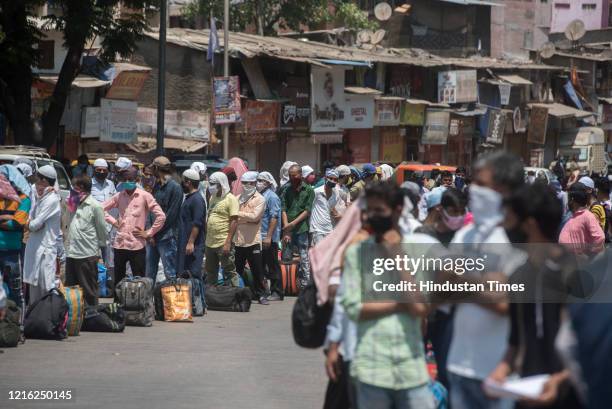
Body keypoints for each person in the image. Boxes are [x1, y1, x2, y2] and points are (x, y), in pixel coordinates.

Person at [488, 184, 583, 409]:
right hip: (527, 394)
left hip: (570, 397)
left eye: (509, 219)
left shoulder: (573, 273)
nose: (503, 226)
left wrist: (559, 381)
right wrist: (500, 371)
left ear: (529, 224)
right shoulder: (519, 275)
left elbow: (589, 346)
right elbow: (516, 339)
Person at [341, 182, 435, 409]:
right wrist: (399, 304)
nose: (372, 217)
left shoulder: (419, 249)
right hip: (371, 367)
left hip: (411, 367)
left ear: (398, 210)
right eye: (369, 211)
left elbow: (422, 307)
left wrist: (397, 257)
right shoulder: (357, 252)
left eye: (379, 211)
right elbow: (354, 308)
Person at [447, 151, 527, 409]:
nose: (473, 189)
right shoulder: (464, 236)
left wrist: (461, 282)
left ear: (504, 189)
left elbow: (507, 303)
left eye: (481, 184)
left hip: (499, 374)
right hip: (459, 365)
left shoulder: (519, 239)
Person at [103, 167, 166, 285]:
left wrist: (148, 233)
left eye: (130, 179)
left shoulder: (145, 196)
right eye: (125, 179)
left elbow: (161, 216)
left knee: (139, 280)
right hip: (120, 244)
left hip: (137, 245)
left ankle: (138, 303)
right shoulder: (119, 196)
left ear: (136, 180)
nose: (127, 182)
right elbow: (101, 209)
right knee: (119, 279)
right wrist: (113, 221)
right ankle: (118, 303)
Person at [65, 175, 108, 306]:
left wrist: (98, 253)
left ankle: (92, 316)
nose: (72, 190)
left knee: (88, 289)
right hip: (71, 252)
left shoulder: (95, 206)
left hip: (87, 254)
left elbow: (102, 231)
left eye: (75, 188)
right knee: (71, 290)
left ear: (82, 188)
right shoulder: (73, 203)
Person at [23, 165, 62, 304]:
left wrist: (27, 222)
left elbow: (33, 225)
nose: (35, 183)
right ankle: (35, 320)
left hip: (45, 251)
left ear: (44, 181)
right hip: (34, 248)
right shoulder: (40, 195)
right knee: (33, 288)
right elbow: (33, 222)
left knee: (46, 288)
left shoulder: (51, 199)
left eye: (38, 179)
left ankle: (48, 320)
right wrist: (31, 223)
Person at [0, 167, 31, 334]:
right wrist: (7, 218)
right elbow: (13, 221)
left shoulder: (23, 200)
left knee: (16, 291)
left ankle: (18, 327)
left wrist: (8, 219)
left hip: (13, 251)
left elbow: (18, 223)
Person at [234, 171, 268, 305]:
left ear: (254, 183)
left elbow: (255, 217)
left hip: (253, 241)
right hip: (238, 240)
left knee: (257, 269)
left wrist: (238, 215)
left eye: (248, 183)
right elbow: (241, 218)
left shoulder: (260, 199)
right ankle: (236, 294)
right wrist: (246, 218)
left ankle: (261, 295)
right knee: (237, 269)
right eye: (243, 183)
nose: (245, 186)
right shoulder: (237, 198)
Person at [146, 156, 182, 281]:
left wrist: (153, 232)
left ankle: (171, 300)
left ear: (156, 168)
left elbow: (171, 216)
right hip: (153, 237)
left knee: (170, 273)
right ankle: (149, 300)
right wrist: (150, 233)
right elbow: (151, 211)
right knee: (149, 272)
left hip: (167, 237)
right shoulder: (156, 186)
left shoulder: (175, 188)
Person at [281, 164, 315, 289]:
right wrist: (286, 227)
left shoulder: (309, 190)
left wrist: (293, 224)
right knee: (286, 256)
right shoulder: (286, 190)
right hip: (288, 229)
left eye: (294, 175)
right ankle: (288, 284)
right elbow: (283, 208)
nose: (292, 177)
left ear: (300, 175)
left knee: (304, 256)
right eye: (290, 175)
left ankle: (305, 284)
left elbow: (307, 211)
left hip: (302, 228)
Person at [205, 172, 240, 287]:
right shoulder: (213, 198)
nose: (210, 186)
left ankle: (234, 297)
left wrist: (228, 242)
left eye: (213, 184)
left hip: (223, 242)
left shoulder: (231, 199)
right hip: (210, 242)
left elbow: (234, 221)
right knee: (211, 272)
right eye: (210, 183)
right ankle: (213, 298)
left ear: (221, 184)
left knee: (229, 271)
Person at [559, 182, 605, 255]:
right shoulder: (571, 215)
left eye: (568, 197)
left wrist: (585, 254)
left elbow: (600, 238)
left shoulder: (587, 216)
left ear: (572, 199)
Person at [257, 171, 283, 301]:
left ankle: (277, 292)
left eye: (261, 180)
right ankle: (264, 290)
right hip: (260, 236)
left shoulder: (272, 197)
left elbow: (274, 217)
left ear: (267, 183)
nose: (258, 183)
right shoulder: (260, 195)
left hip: (269, 237)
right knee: (260, 265)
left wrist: (268, 237)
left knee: (272, 265)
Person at [177, 169, 206, 282]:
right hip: (185, 242)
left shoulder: (197, 200)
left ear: (188, 182)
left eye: (183, 181)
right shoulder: (189, 197)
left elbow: (197, 223)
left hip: (194, 245)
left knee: (193, 276)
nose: (182, 184)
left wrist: (190, 242)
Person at [91, 158, 117, 270]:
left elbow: (115, 201)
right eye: (99, 170)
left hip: (108, 226)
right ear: (94, 170)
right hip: (93, 226)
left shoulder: (111, 184)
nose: (102, 172)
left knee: (108, 259)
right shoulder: (88, 183)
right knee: (94, 257)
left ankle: (105, 281)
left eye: (104, 170)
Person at [310, 169, 342, 246]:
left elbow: (331, 209)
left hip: (330, 229)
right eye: (330, 178)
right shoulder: (316, 192)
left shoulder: (336, 195)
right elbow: (309, 208)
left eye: (335, 179)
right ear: (325, 178)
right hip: (317, 229)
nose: (332, 181)